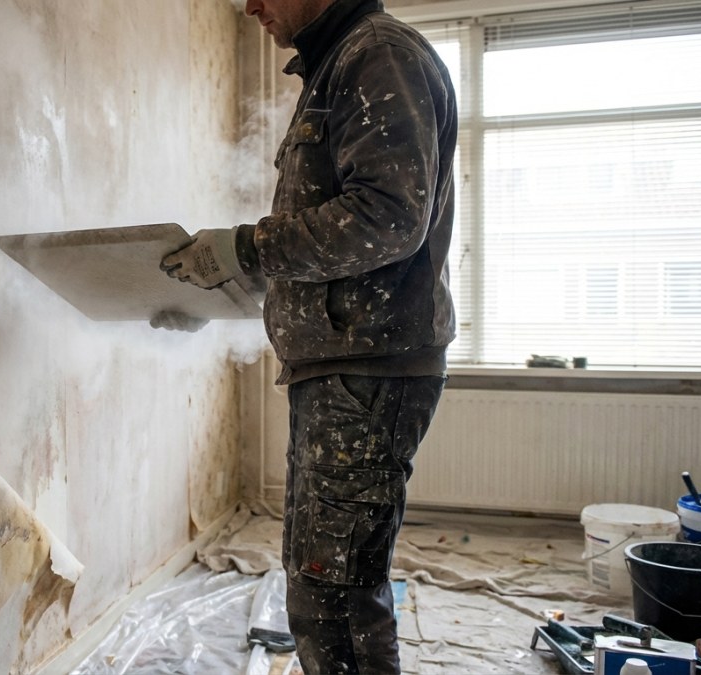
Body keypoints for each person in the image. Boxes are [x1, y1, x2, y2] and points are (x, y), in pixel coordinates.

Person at [160, 0, 457, 672]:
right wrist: (201, 295)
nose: (249, 7)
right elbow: (329, 260)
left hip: (368, 373)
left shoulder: (377, 53)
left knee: (337, 595)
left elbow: (387, 218)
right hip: (345, 370)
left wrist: (243, 249)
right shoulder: (341, 63)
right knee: (322, 584)